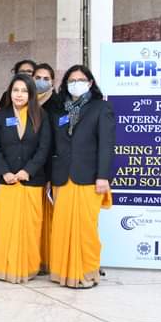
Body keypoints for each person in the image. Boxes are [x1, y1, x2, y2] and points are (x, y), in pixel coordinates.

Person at [49, 65, 114, 289]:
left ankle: (87, 273)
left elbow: (106, 144)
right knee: (61, 228)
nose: (75, 83)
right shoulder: (59, 110)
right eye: (71, 80)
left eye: (80, 79)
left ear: (90, 83)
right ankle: (63, 273)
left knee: (86, 229)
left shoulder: (101, 107)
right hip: (62, 177)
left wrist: (103, 176)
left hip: (89, 177)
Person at [0, 74, 52, 283]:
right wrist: (4, 171)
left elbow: (44, 148)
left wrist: (28, 170)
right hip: (4, 180)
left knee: (29, 227)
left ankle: (27, 267)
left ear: (31, 94)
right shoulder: (0, 116)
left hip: (30, 180)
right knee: (4, 226)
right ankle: (1, 268)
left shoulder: (41, 116)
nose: (19, 94)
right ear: (10, 92)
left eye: (24, 91)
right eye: (16, 90)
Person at [32, 61, 59, 274]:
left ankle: (48, 260)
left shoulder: (57, 104)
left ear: (53, 81)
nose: (41, 82)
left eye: (46, 78)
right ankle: (34, 259)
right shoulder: (26, 100)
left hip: (49, 167)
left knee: (48, 218)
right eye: (38, 78)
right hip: (28, 168)